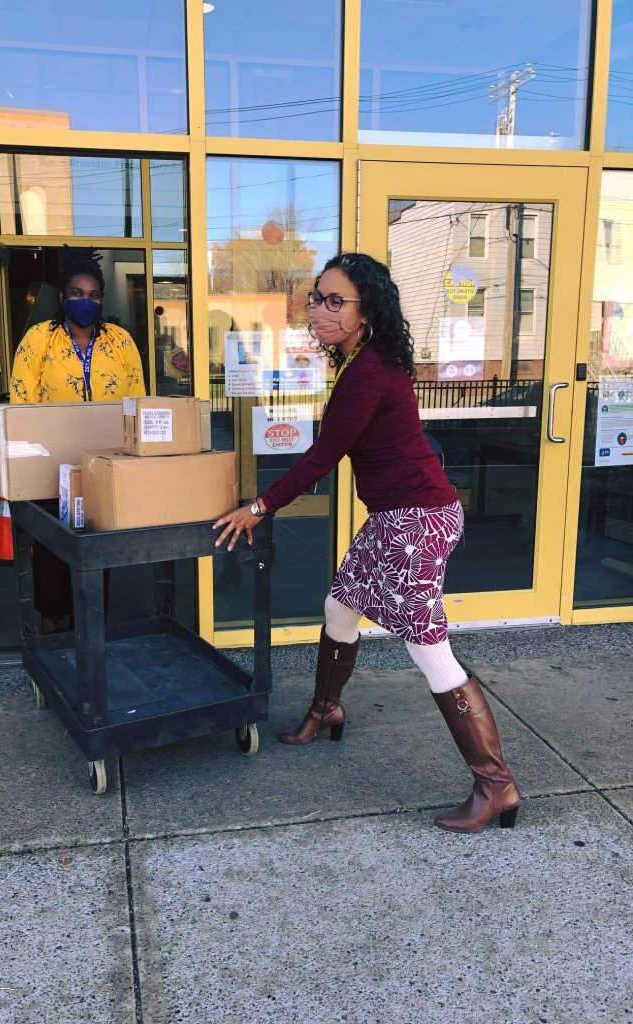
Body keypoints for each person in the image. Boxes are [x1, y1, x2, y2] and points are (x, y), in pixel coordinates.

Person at [213, 252, 520, 834]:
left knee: (427, 646)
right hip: (394, 517)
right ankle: (327, 707)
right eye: (318, 299)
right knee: (339, 606)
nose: (321, 311)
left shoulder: (371, 371)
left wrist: (259, 507)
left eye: (336, 302)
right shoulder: (359, 364)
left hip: (418, 519)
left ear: (365, 310)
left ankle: (495, 784)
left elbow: (323, 457)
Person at [9, 247, 145, 634]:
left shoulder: (120, 342)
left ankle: (90, 635)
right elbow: (22, 404)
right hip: (51, 471)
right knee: (53, 557)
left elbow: (138, 402)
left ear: (102, 299)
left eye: (93, 295)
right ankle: (53, 634)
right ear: (62, 297)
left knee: (95, 553)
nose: (85, 301)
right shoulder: (39, 340)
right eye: (76, 293)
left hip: (104, 468)